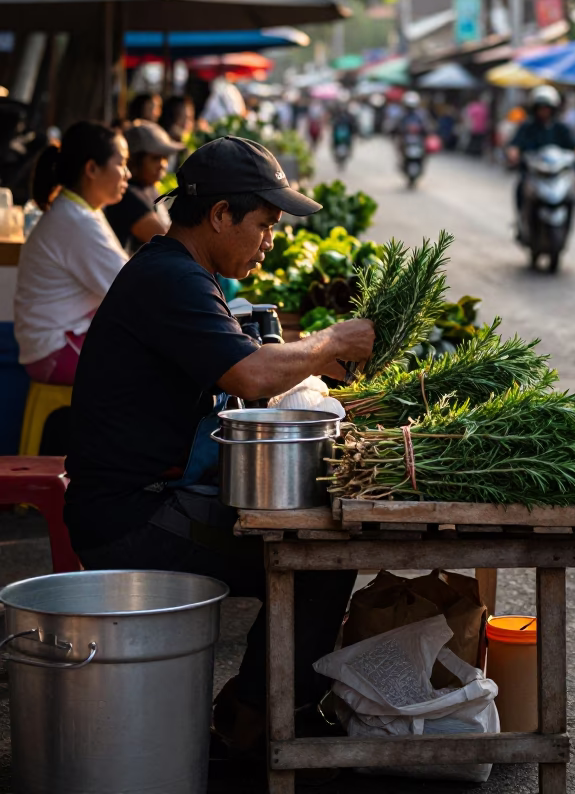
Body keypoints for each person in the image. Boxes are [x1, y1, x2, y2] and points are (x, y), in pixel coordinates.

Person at [63, 136, 375, 762]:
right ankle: (259, 725)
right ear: (220, 215)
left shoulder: (179, 271)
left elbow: (248, 369)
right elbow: (251, 376)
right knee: (320, 559)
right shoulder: (170, 279)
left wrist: (310, 364)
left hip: (146, 497)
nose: (269, 241)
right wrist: (330, 340)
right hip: (130, 517)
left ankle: (251, 708)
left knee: (312, 546)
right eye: (263, 224)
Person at [14, 123, 129, 436]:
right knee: (150, 365)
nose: (127, 174)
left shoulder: (80, 212)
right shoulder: (75, 220)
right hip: (54, 349)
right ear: (92, 168)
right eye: (121, 163)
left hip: (57, 343)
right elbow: (133, 288)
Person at [105, 121, 184, 254]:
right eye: (155, 158)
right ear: (135, 160)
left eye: (164, 158)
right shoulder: (128, 196)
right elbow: (170, 241)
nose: (162, 165)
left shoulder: (149, 187)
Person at [507, 85, 575, 213]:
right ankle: (521, 219)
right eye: (541, 108)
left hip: (555, 173)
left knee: (571, 193)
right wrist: (514, 151)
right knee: (521, 187)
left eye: (547, 108)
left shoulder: (560, 128)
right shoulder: (527, 127)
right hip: (534, 172)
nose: (544, 111)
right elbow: (515, 144)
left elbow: (574, 144)